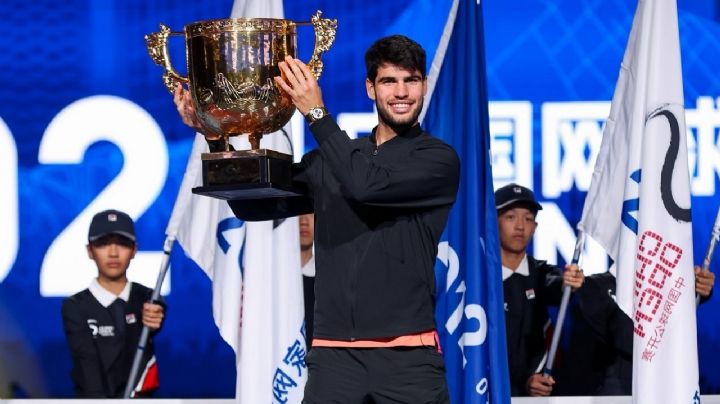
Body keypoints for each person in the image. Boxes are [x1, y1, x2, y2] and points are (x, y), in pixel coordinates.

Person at [175, 35, 459, 403]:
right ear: (370, 89)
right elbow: (255, 205)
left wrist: (317, 113)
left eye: (411, 80)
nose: (402, 92)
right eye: (389, 81)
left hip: (408, 360)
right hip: (333, 360)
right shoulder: (334, 158)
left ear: (423, 86)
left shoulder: (437, 159)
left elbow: (366, 186)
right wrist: (217, 136)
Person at [555, 264, 715, 396]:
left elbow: (688, 292)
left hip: (663, 387)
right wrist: (574, 284)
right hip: (615, 389)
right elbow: (623, 336)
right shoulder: (597, 286)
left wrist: (697, 286)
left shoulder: (666, 286)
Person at [61, 209, 165, 398]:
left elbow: (156, 310)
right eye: (103, 243)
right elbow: (87, 367)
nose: (114, 252)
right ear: (89, 251)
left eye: (123, 243)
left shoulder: (147, 298)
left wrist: (157, 315)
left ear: (134, 250)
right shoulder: (75, 306)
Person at [494, 183, 584, 397]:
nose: (520, 226)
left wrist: (570, 281)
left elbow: (559, 286)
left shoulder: (542, 273)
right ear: (492, 222)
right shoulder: (479, 281)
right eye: (510, 217)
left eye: (527, 219)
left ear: (535, 227)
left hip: (535, 395)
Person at [299, 213, 316, 346]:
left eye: (310, 215)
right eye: (297, 215)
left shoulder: (327, 279)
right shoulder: (271, 282)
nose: (303, 221)